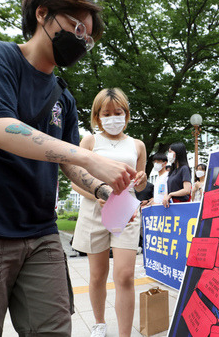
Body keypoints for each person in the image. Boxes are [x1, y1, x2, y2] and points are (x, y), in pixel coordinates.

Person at [0, 0, 138, 336]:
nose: (82, 42)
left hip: (40, 234)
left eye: (88, 40)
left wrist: (105, 189)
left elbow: (67, 163)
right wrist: (90, 156)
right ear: (43, 14)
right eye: (78, 28)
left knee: (54, 329)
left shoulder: (63, 98)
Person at [71, 88, 147, 337]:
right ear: (97, 116)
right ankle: (99, 323)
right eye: (106, 113)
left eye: (118, 112)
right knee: (97, 275)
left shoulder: (137, 144)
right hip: (94, 212)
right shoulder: (90, 142)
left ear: (126, 114)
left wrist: (143, 178)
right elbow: (75, 181)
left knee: (125, 275)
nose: (113, 117)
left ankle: (124, 333)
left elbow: (141, 185)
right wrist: (98, 194)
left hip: (126, 212)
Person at [163, 142, 192, 207]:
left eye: (170, 152)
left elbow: (187, 190)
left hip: (181, 205)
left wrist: (171, 194)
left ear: (178, 152)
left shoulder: (184, 169)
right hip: (171, 205)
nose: (168, 154)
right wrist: (166, 195)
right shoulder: (173, 170)